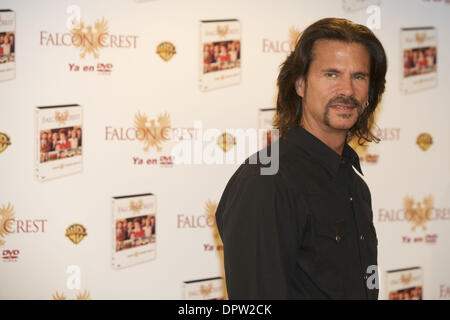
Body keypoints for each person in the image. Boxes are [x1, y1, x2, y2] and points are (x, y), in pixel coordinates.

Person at [215, 18, 387, 300]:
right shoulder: (266, 181)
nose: (347, 90)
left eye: (359, 76)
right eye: (331, 74)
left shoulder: (355, 186)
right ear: (299, 84)